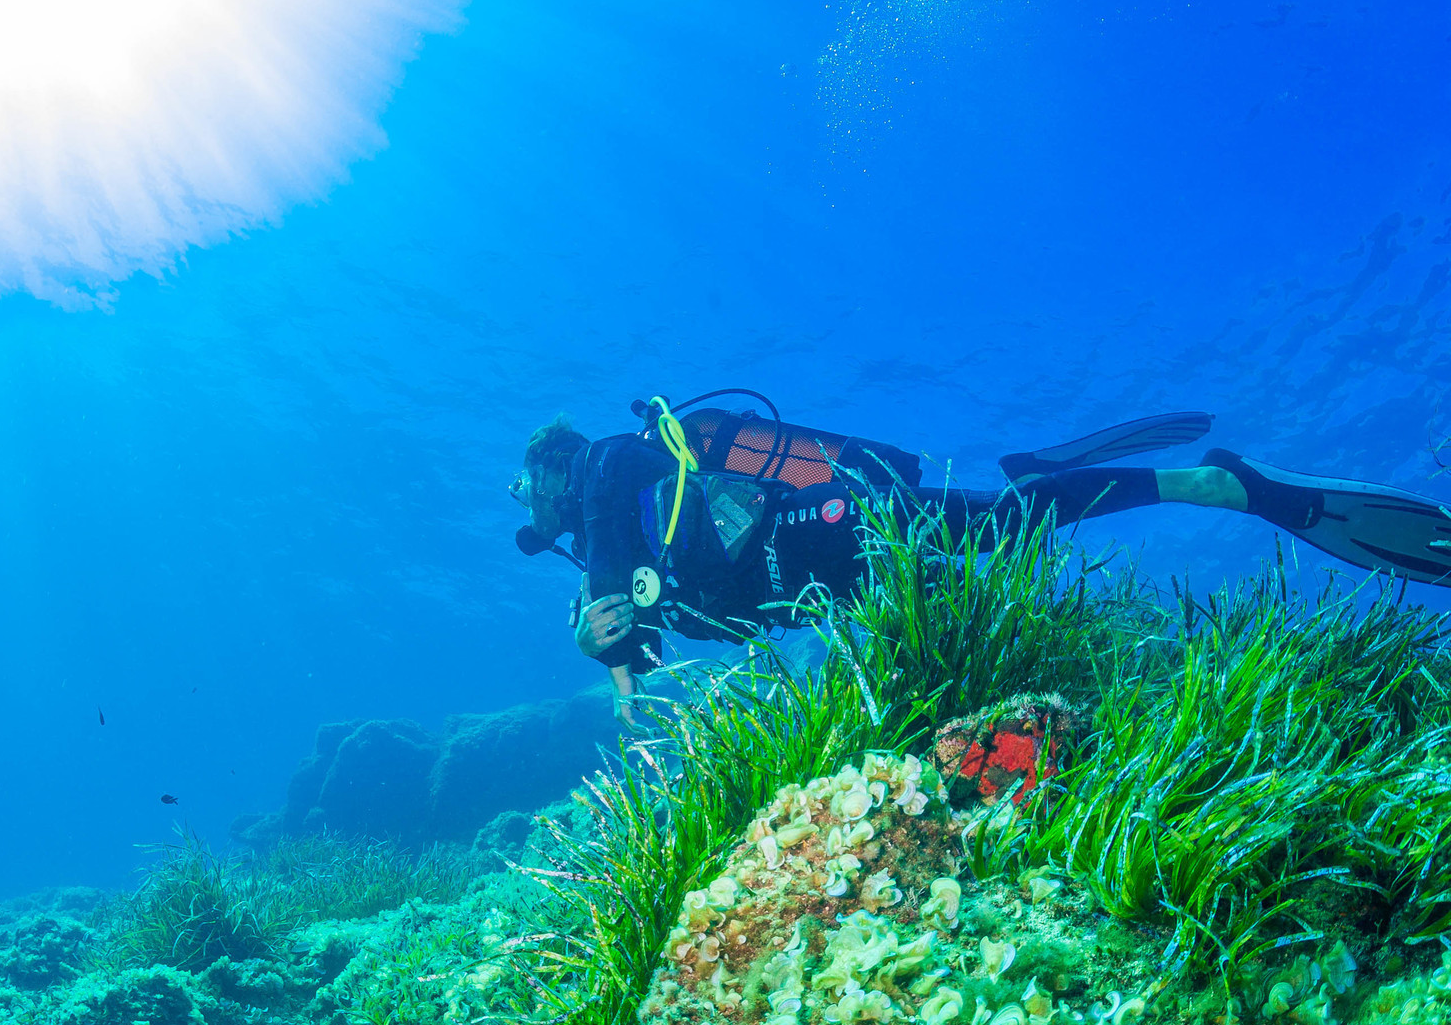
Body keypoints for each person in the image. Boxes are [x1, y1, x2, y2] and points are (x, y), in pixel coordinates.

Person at [510, 395, 1451, 716]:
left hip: (830, 533)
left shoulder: (599, 469)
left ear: (553, 471)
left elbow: (615, 598)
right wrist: (625, 633)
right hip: (836, 575)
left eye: (527, 490)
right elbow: (681, 607)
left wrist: (609, 642)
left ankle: (1215, 480)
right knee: (1000, 554)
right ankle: (1038, 474)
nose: (532, 509)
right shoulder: (631, 527)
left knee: (1001, 527)